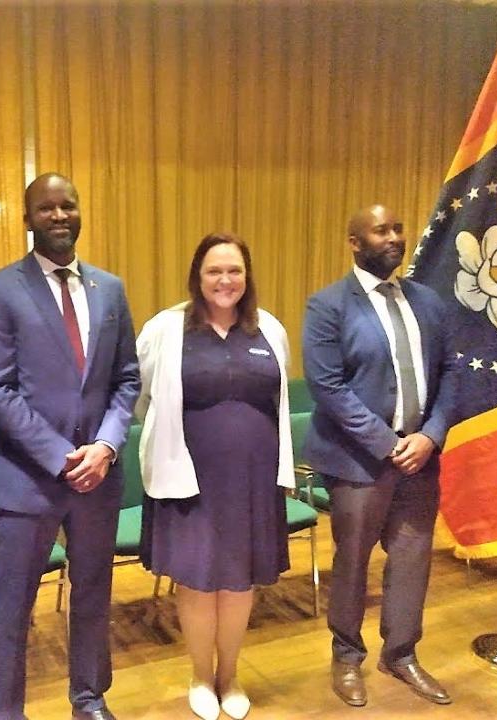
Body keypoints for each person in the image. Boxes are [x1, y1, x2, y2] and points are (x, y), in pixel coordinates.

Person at [0, 173, 140, 720]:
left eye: (68, 206)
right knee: (10, 608)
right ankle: (6, 711)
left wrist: (107, 446)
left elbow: (127, 379)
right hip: (27, 480)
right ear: (27, 218)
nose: (60, 215)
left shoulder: (109, 289)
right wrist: (59, 456)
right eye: (46, 208)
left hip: (99, 476)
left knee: (92, 593)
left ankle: (89, 698)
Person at [301, 204, 458, 708]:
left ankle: (402, 653)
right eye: (381, 230)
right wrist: (388, 445)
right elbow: (327, 386)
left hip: (420, 458)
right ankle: (346, 656)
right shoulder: (328, 306)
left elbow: (452, 373)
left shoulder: (428, 302)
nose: (393, 237)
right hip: (359, 463)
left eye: (397, 229)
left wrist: (430, 436)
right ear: (354, 241)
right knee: (352, 562)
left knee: (412, 559)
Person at [135, 233, 295, 720]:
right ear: (197, 276)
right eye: (214, 271)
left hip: (254, 480)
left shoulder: (270, 329)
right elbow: (140, 394)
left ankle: (231, 675)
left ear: (247, 277)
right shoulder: (165, 328)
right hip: (190, 476)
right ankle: (201, 676)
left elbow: (277, 400)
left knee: (240, 584)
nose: (225, 280)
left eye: (235, 271)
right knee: (200, 583)